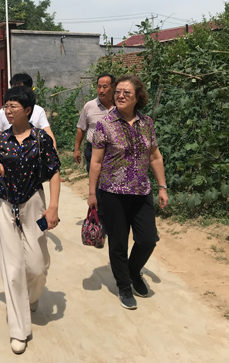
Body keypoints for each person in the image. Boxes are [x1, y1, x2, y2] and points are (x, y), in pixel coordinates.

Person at [0, 85, 61, 355]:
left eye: (13, 106)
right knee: (13, 270)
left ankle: (33, 295)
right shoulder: (1, 139)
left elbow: (54, 171)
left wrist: (53, 207)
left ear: (28, 110)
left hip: (34, 205)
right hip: (5, 206)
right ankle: (18, 330)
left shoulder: (40, 139)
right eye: (6, 106)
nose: (7, 110)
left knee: (38, 266)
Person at [87, 75, 168, 310]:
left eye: (126, 93)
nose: (120, 96)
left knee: (148, 239)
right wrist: (92, 193)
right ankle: (123, 285)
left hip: (142, 191)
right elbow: (96, 162)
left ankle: (133, 271)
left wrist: (162, 186)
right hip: (113, 193)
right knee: (118, 244)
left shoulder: (147, 123)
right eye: (118, 92)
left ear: (137, 97)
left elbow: (155, 156)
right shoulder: (105, 124)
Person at [0, 73, 57, 148]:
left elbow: (49, 134)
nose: (8, 111)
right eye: (13, 88)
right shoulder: (3, 111)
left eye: (19, 89)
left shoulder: (38, 111)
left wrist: (54, 151)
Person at [74, 73, 115, 172]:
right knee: (95, 179)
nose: (101, 90)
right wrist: (76, 149)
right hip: (93, 150)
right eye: (99, 87)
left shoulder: (120, 106)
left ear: (113, 87)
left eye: (105, 87)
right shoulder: (90, 106)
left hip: (114, 151)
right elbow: (81, 129)